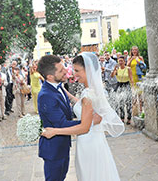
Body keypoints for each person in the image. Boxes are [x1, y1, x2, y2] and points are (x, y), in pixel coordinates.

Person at [42, 52, 125, 181]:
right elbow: (82, 105)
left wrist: (54, 131)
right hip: (94, 140)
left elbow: (84, 127)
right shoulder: (92, 90)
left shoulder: (88, 94)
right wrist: (65, 93)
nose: (74, 74)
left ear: (88, 70)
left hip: (89, 143)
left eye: (77, 70)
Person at [37, 55, 102, 181]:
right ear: (50, 76)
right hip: (54, 150)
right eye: (61, 70)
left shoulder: (58, 87)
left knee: (62, 176)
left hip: (62, 146)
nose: (66, 71)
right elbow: (62, 124)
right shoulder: (46, 96)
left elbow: (69, 106)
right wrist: (87, 122)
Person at [111, 56, 134, 124]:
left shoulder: (128, 68)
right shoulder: (117, 69)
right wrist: (114, 69)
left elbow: (131, 78)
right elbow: (112, 76)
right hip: (119, 85)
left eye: (121, 61)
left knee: (128, 102)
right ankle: (122, 117)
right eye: (119, 61)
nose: (120, 62)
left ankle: (129, 118)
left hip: (126, 84)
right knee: (120, 102)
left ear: (124, 61)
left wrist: (132, 86)